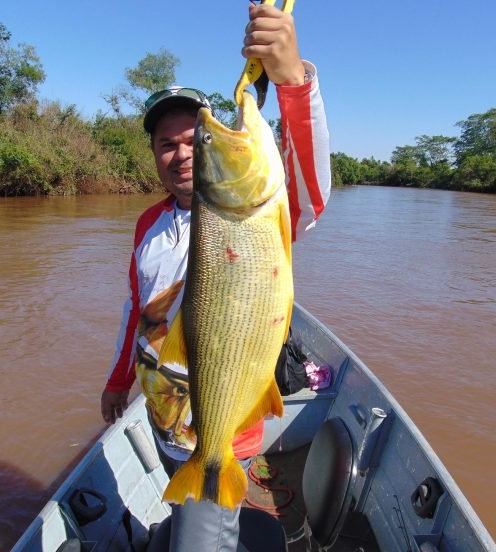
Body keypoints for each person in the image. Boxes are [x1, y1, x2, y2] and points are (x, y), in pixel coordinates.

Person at [100, 3, 331, 550]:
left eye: (194, 140)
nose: (183, 153)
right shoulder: (147, 224)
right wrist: (116, 381)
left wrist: (292, 79)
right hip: (164, 420)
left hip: (228, 421)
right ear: (154, 153)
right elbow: (138, 311)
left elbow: (308, 186)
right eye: (168, 143)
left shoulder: (261, 212)